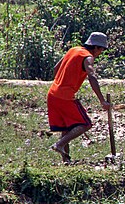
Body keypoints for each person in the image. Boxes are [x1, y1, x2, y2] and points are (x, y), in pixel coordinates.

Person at [47, 32, 111, 163]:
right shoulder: (88, 57)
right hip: (65, 96)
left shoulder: (73, 50)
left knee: (66, 128)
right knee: (85, 124)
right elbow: (92, 76)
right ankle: (59, 145)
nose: (100, 53)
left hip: (52, 94)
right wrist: (102, 101)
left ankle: (66, 161)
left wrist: (63, 81)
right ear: (96, 48)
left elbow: (55, 69)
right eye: (101, 50)